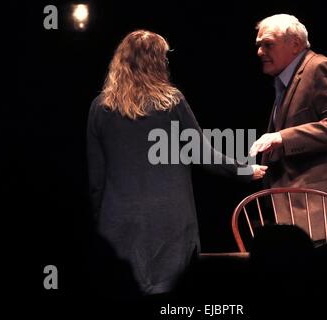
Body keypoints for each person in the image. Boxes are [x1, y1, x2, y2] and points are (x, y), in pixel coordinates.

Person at [86, 30, 267, 297]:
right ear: (157, 61)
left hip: (118, 223)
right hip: (169, 222)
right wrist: (246, 170)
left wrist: (98, 225)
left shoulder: (99, 107)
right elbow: (204, 154)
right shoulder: (171, 102)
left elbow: (95, 180)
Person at [249, 14, 327, 242]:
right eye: (259, 46)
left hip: (325, 207)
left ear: (295, 44)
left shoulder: (320, 68)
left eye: (268, 44)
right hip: (298, 207)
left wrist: (282, 138)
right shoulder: (286, 81)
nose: (260, 52)